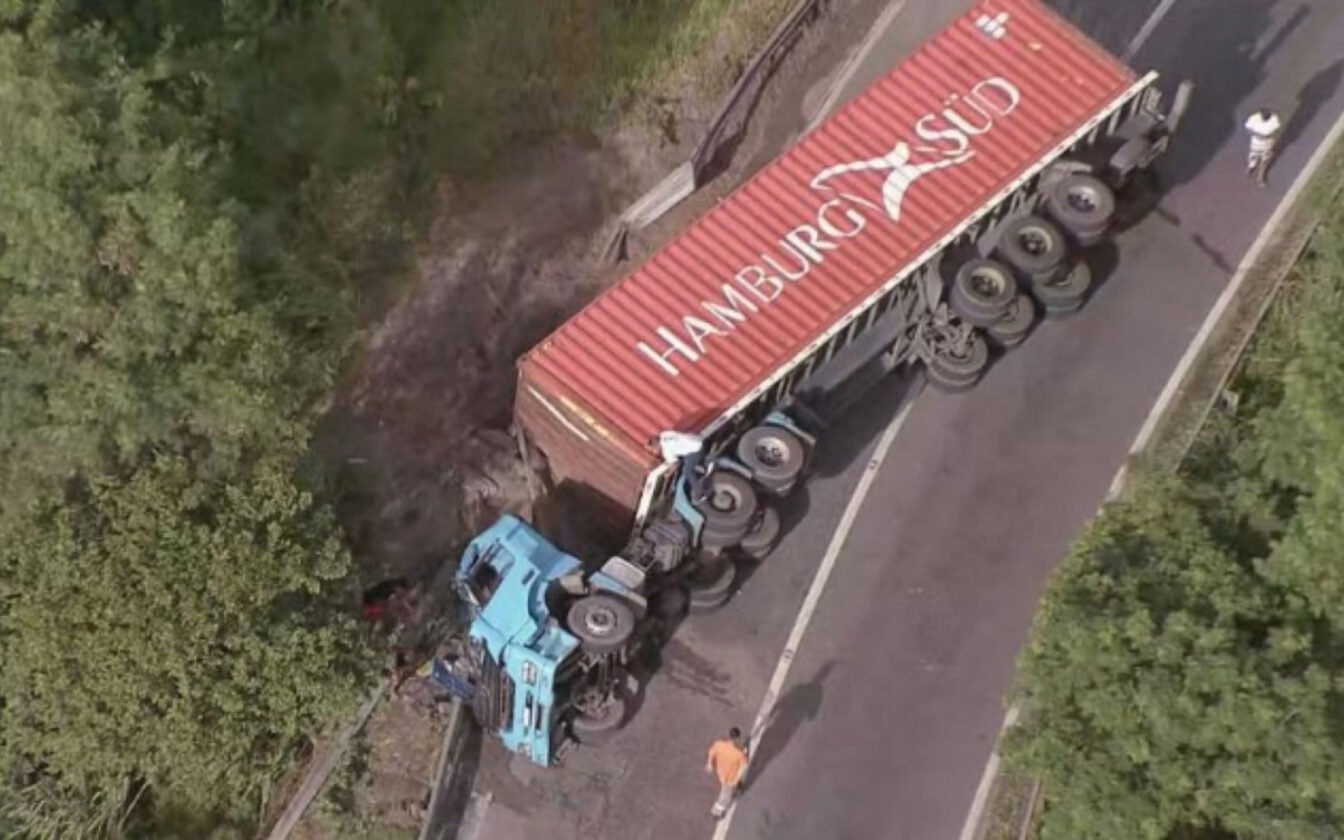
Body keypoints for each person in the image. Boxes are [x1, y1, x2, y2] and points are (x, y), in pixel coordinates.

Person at [706, 726, 750, 819]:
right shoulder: (739, 754)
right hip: (730, 778)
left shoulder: (719, 744)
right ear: (737, 738)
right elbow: (744, 766)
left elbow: (711, 752)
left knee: (725, 788)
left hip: (721, 772)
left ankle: (737, 786)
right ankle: (717, 812)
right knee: (725, 796)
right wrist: (736, 779)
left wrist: (709, 764)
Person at [658, 430, 709, 503]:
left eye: (653, 450)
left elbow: (676, 464)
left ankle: (700, 494)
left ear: (656, 446)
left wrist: (668, 474)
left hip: (697, 451)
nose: (654, 452)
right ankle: (702, 468)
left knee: (687, 471)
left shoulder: (666, 451)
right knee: (686, 459)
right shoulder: (665, 434)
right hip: (699, 440)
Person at [1244, 108, 1282, 187]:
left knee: (1265, 160)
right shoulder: (1254, 118)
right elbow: (1248, 129)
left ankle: (1260, 178)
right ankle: (1251, 168)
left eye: (1267, 116)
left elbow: (1277, 129)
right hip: (1256, 144)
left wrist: (1268, 135)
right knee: (1253, 159)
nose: (1265, 118)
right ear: (1260, 114)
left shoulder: (1274, 118)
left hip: (1268, 144)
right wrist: (1258, 135)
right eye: (1264, 116)